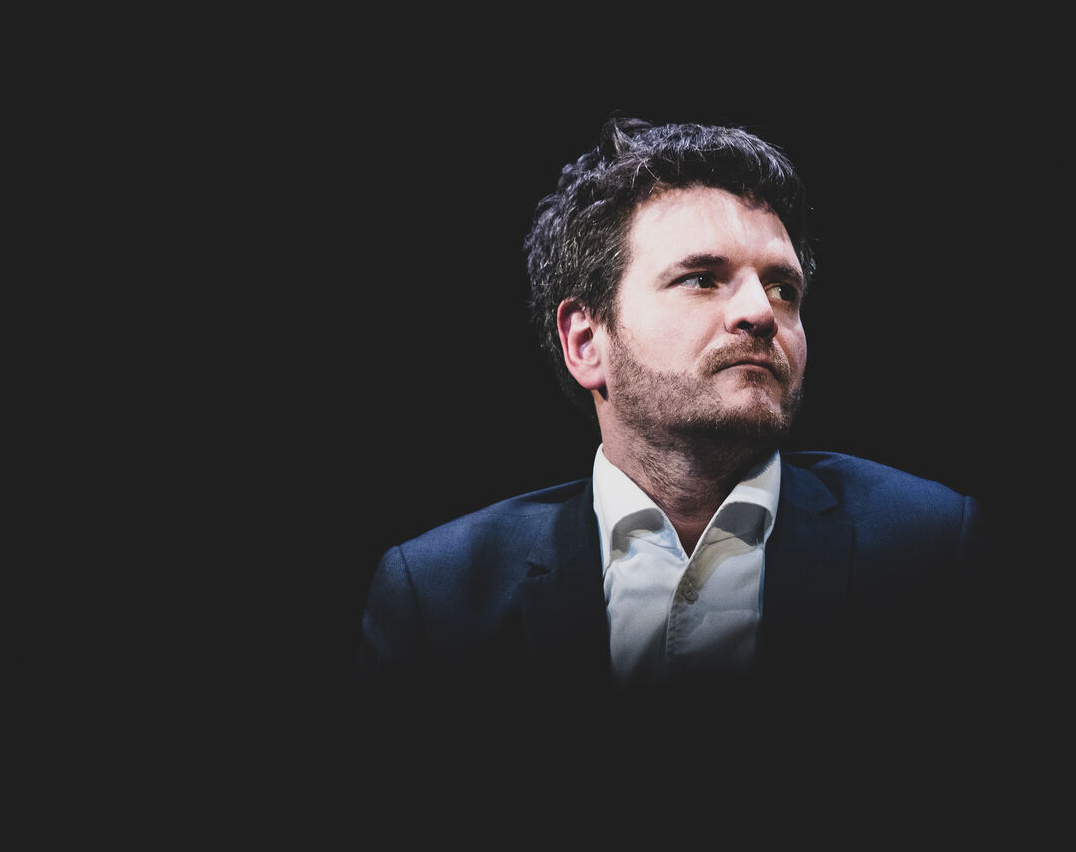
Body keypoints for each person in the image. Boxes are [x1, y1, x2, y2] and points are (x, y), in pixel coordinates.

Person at [353, 116, 1005, 752]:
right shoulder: (437, 597)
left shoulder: (933, 552)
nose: (761, 313)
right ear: (586, 341)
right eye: (702, 279)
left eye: (783, 288)